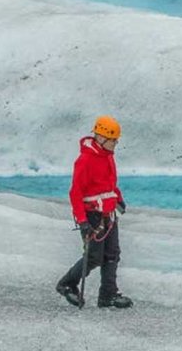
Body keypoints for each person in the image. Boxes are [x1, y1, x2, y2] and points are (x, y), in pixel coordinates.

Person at [55, 116, 132, 309]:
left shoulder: (108, 156)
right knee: (94, 257)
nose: (116, 144)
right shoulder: (85, 160)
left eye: (116, 140)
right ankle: (67, 284)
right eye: (114, 140)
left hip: (109, 214)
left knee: (112, 254)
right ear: (102, 137)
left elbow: (110, 184)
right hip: (92, 216)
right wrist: (82, 220)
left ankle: (108, 295)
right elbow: (75, 192)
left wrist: (118, 199)